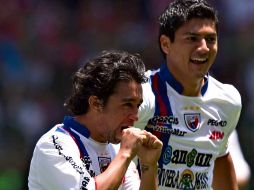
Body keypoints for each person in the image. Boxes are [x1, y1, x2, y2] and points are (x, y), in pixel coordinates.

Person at [134, 0, 242, 189]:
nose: (204, 48)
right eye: (192, 38)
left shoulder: (228, 100)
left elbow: (221, 157)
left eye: (210, 39)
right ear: (166, 44)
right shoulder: (139, 94)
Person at [28, 50, 163, 190]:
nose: (135, 115)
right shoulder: (54, 144)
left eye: (137, 106)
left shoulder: (117, 150)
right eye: (127, 104)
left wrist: (149, 166)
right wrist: (125, 153)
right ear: (96, 103)